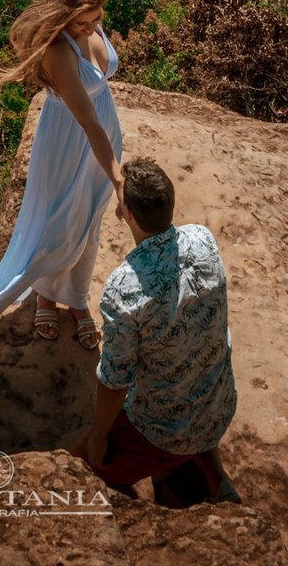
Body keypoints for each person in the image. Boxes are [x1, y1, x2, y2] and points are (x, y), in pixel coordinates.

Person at [0, 0, 123, 349]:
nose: (92, 27)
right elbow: (84, 119)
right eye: (82, 22)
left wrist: (113, 165)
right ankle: (46, 295)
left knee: (90, 223)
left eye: (97, 19)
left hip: (103, 129)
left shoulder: (91, 27)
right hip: (70, 138)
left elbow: (98, 99)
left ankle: (78, 299)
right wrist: (117, 176)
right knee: (60, 221)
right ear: (64, 16)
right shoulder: (58, 49)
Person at [73, 156, 240, 507]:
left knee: (79, 464)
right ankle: (215, 476)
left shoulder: (124, 289)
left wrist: (100, 436)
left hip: (163, 431)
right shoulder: (202, 240)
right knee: (191, 369)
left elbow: (115, 380)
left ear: (126, 214)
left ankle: (162, 469)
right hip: (217, 404)